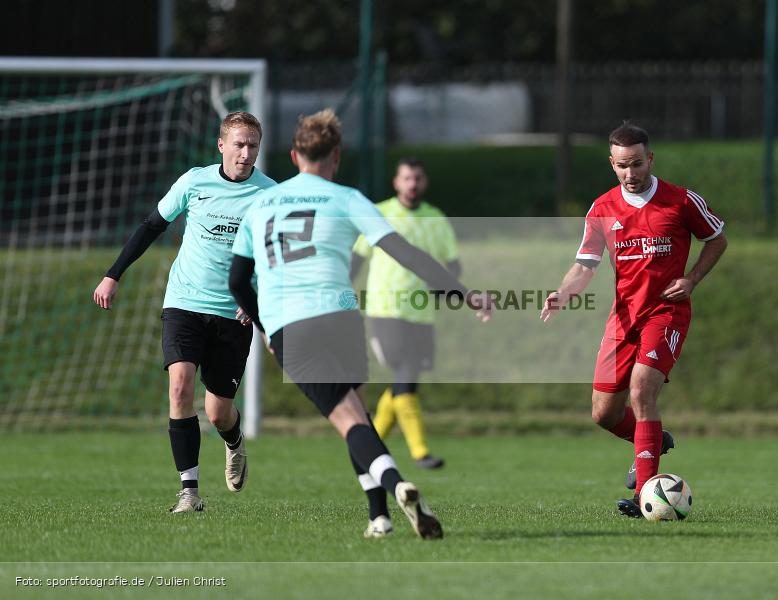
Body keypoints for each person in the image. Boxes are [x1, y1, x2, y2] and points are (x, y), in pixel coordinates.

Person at [229, 109, 489, 539]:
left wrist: (263, 327)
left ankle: (397, 485)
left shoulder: (260, 205)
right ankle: (379, 517)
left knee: (350, 423)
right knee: (359, 417)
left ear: (294, 156)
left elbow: (237, 280)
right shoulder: (347, 197)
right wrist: (463, 293)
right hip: (342, 315)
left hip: (292, 324)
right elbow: (406, 253)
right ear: (336, 156)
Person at [540, 122, 727, 518]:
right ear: (612, 164)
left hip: (666, 312)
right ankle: (653, 441)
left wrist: (691, 279)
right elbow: (584, 265)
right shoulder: (602, 208)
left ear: (651, 159)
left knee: (643, 391)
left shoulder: (680, 201)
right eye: (623, 165)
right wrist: (562, 293)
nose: (631, 173)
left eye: (638, 164)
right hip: (623, 318)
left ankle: (646, 493)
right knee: (604, 413)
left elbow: (717, 239)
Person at [93, 112, 276, 513]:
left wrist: (257, 299)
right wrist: (113, 275)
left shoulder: (270, 194)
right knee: (179, 388)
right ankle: (189, 492)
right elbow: (150, 225)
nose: (246, 154)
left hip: (233, 313)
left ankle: (234, 441)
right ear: (221, 145)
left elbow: (276, 257)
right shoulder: (194, 182)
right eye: (240, 145)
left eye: (253, 147)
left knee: (218, 411)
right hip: (184, 302)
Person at [351, 157, 459, 469]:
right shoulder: (380, 213)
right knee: (406, 372)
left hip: (422, 315)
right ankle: (420, 451)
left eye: (417, 178)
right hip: (385, 311)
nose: (412, 184)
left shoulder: (435, 218)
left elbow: (452, 264)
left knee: (404, 380)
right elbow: (356, 261)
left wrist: (449, 288)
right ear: (396, 182)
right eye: (406, 178)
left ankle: (367, 447)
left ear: (424, 182)